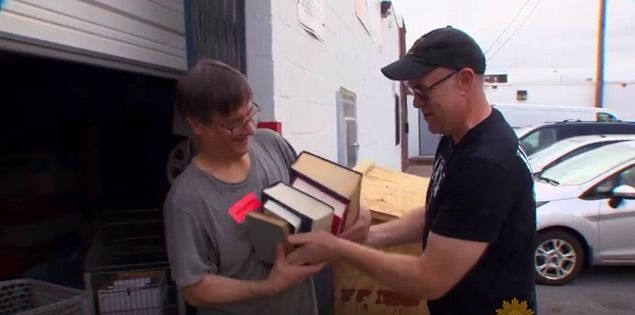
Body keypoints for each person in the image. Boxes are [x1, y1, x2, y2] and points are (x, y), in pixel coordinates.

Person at [288, 26, 537, 314]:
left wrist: (339, 250)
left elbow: (429, 278)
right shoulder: (460, 136)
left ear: (465, 80)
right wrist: (369, 236)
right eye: (411, 91)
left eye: (422, 90)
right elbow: (441, 212)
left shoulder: (486, 165)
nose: (417, 102)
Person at [164, 59, 371, 315]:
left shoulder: (271, 145)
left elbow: (316, 200)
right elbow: (194, 288)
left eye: (250, 113)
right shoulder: (186, 199)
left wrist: (356, 214)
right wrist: (268, 286)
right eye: (233, 124)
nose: (250, 129)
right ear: (196, 124)